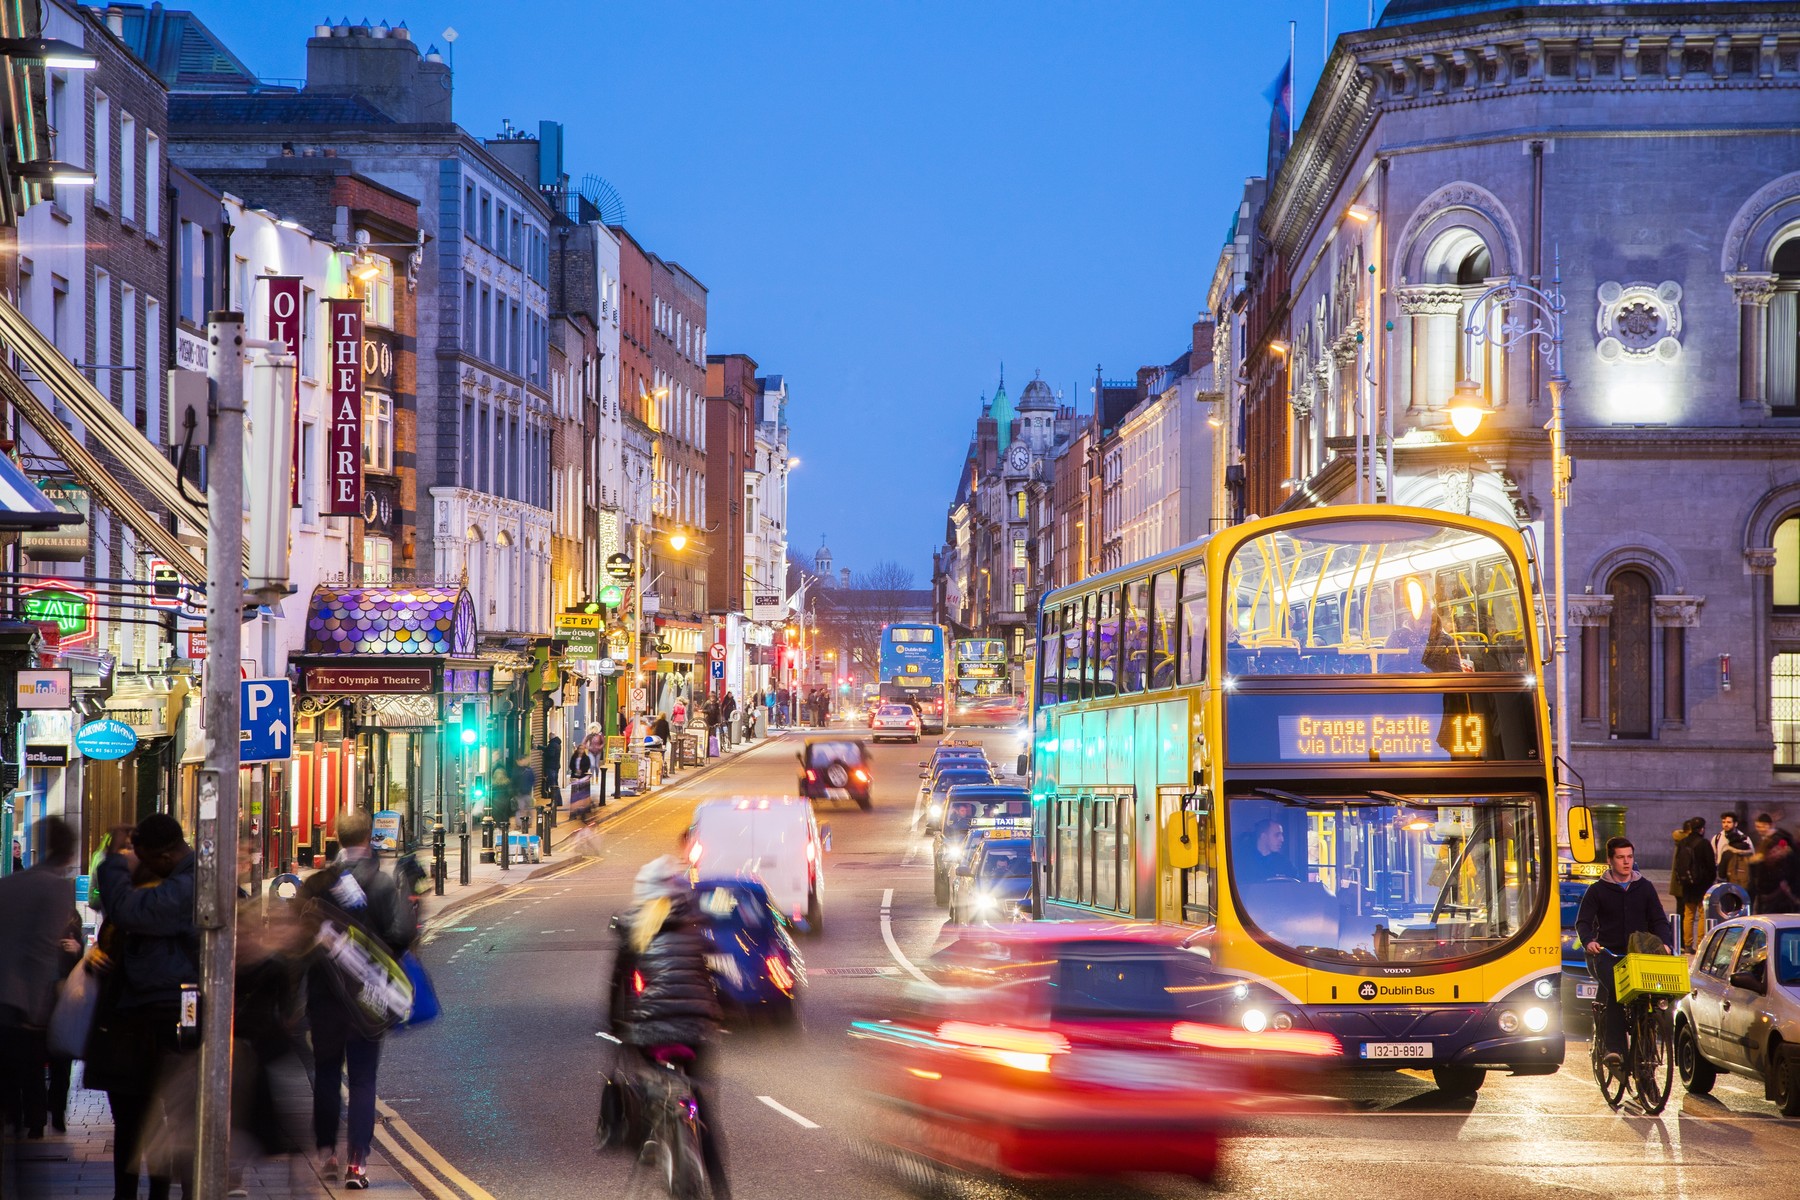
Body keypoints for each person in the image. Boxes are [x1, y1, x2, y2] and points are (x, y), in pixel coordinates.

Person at [300, 809, 418, 1191]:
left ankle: (326, 1153)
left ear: (336, 837)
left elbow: (298, 941)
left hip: (324, 998)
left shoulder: (317, 884)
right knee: (365, 1080)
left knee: (327, 1074)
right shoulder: (383, 884)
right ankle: (357, 1163)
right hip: (367, 998)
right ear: (370, 837)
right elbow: (401, 934)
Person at [607, 848, 731, 1200]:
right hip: (697, 1030)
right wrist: (716, 1015)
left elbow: (617, 986)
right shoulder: (695, 926)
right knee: (704, 1108)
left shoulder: (634, 927)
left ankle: (652, 1140)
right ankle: (721, 1189)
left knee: (646, 1087)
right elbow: (710, 978)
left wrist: (617, 1029)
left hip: (649, 1031)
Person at [90, 814, 200, 1200]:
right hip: (138, 1025)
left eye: (147, 858)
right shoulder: (173, 882)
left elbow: (128, 911)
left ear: (165, 856)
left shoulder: (188, 886)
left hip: (169, 1020)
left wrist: (114, 860)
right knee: (140, 1121)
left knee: (168, 1121)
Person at [0, 817, 77, 1142]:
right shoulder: (57, 887)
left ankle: (16, 1120)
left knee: (8, 1074)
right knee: (32, 1069)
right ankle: (34, 1122)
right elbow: (43, 951)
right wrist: (39, 1008)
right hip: (26, 1000)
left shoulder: (9, 883)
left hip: (3, 996)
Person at [1576, 836, 1674, 1072]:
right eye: (1620, 857)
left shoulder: (1645, 887)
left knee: (1652, 995)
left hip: (1638, 954)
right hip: (1606, 954)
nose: (1626, 862)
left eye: (1629, 857)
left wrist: (1666, 943)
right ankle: (1614, 1049)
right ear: (1610, 860)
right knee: (1618, 991)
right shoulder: (1597, 890)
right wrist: (1589, 941)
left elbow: (1659, 920)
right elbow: (1583, 922)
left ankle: (1647, 1036)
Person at [1670, 817, 1717, 951]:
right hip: (1702, 885)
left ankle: (1687, 944)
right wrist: (1710, 880)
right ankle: (1700, 943)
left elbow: (1678, 864)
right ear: (1702, 829)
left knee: (1688, 914)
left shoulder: (1683, 842)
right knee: (1702, 914)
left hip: (1687, 884)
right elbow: (1710, 866)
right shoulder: (1704, 843)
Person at [1748, 813, 1799, 914]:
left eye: (1763, 826)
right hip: (1768, 888)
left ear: (1770, 825)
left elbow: (1783, 851)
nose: (1760, 829)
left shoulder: (1778, 839)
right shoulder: (1764, 840)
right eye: (1758, 826)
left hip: (1778, 890)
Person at [1239, 818, 1291, 884]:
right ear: (1264, 837)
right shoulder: (1243, 862)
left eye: (1281, 835)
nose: (1282, 839)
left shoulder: (1285, 863)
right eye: (1277, 835)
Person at [1714, 811, 1754, 889]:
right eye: (1723, 822)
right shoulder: (1717, 838)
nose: (1725, 824)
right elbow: (1714, 855)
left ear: (1735, 824)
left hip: (1742, 875)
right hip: (1723, 876)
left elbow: (1752, 855)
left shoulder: (1745, 838)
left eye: (1729, 822)